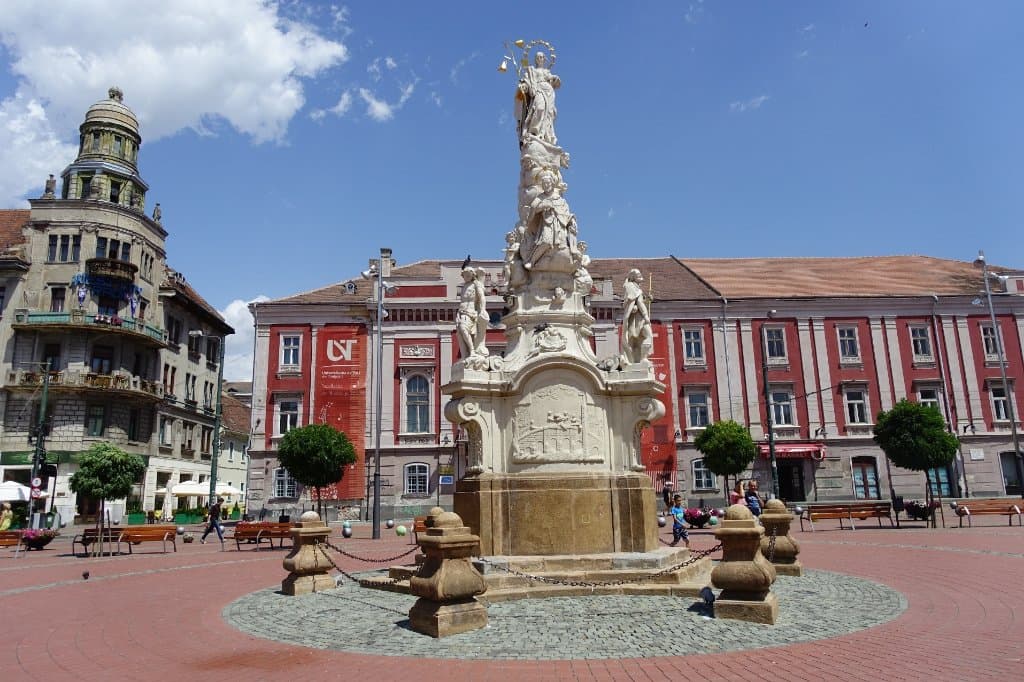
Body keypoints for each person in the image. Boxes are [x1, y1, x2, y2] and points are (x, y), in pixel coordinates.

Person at [516, 51, 561, 144]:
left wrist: (555, 78)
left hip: (549, 92)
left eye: (541, 57)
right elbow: (527, 81)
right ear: (535, 59)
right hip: (538, 90)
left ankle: (544, 134)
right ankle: (534, 131)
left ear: (544, 59)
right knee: (539, 108)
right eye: (538, 57)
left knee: (549, 113)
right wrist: (524, 85)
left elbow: (555, 81)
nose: (539, 59)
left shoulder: (546, 71)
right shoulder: (532, 70)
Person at [456, 266, 489, 360]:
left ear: (472, 275)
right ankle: (464, 355)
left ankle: (472, 351)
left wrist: (482, 310)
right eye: (464, 275)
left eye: (468, 275)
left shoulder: (476, 284)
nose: (466, 276)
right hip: (460, 313)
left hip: (470, 313)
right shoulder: (464, 286)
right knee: (460, 334)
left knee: (463, 329)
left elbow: (481, 297)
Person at [621, 269, 653, 364]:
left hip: (639, 318)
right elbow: (635, 303)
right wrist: (645, 315)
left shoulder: (637, 288)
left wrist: (647, 300)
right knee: (647, 336)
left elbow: (640, 302)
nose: (640, 276)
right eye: (638, 275)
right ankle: (641, 359)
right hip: (637, 318)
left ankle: (642, 358)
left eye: (640, 274)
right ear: (633, 277)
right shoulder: (631, 287)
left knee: (645, 337)